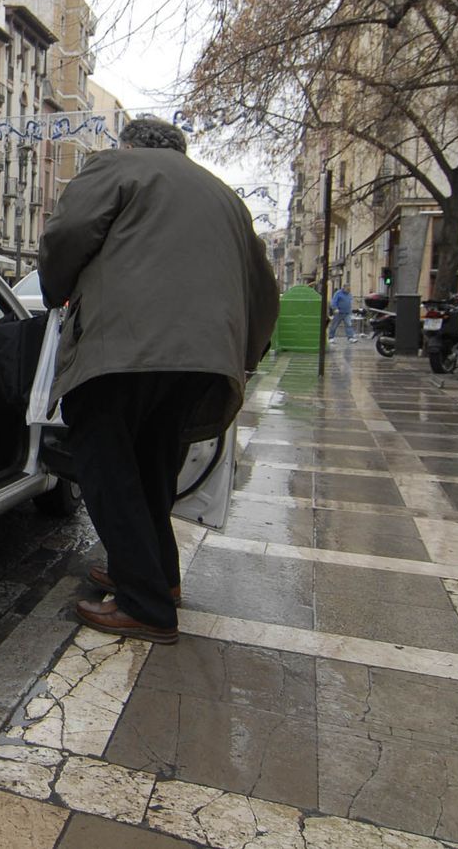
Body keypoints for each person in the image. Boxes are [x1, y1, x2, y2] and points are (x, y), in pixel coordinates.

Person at [38, 117, 279, 643]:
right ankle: (155, 578)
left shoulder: (116, 167)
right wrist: (246, 353)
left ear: (126, 145)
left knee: (105, 466)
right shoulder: (225, 197)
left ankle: (145, 604)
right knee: (151, 465)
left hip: (121, 346)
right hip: (201, 360)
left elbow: (68, 233)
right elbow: (263, 285)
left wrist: (55, 288)